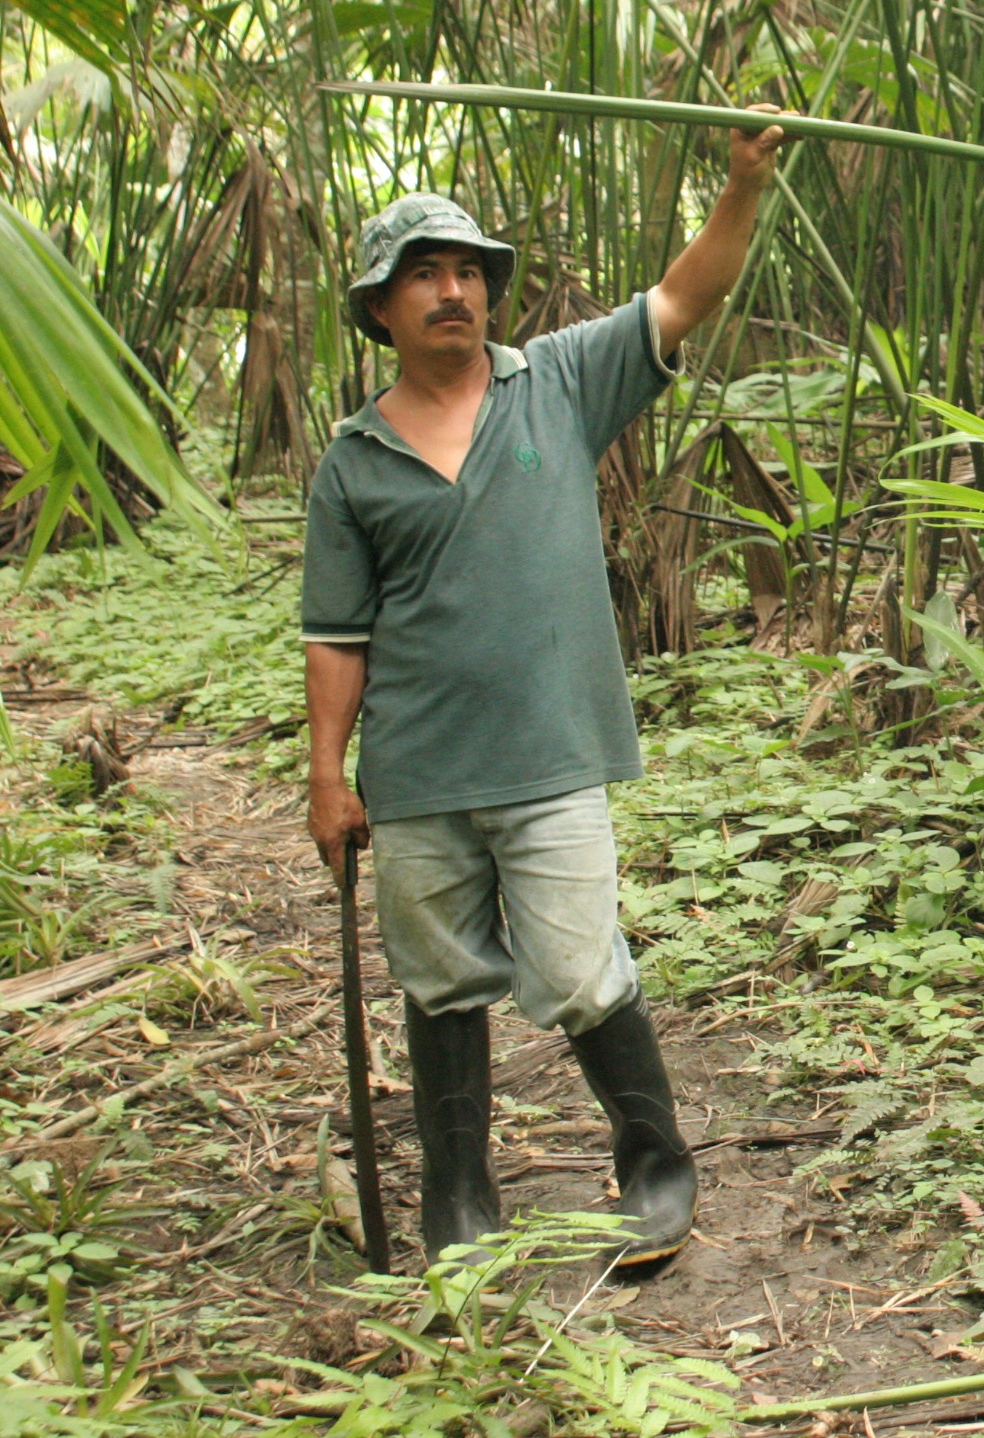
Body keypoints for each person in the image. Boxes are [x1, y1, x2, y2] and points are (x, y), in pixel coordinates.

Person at [302, 111, 791, 1266]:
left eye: (467, 269)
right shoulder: (353, 458)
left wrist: (743, 190)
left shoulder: (560, 381)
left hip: (551, 751)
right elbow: (335, 636)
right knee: (438, 985)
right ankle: (460, 1196)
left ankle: (656, 1167)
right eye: (422, 275)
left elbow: (685, 296)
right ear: (381, 310)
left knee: (580, 967)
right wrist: (327, 775)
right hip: (417, 768)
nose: (451, 290)